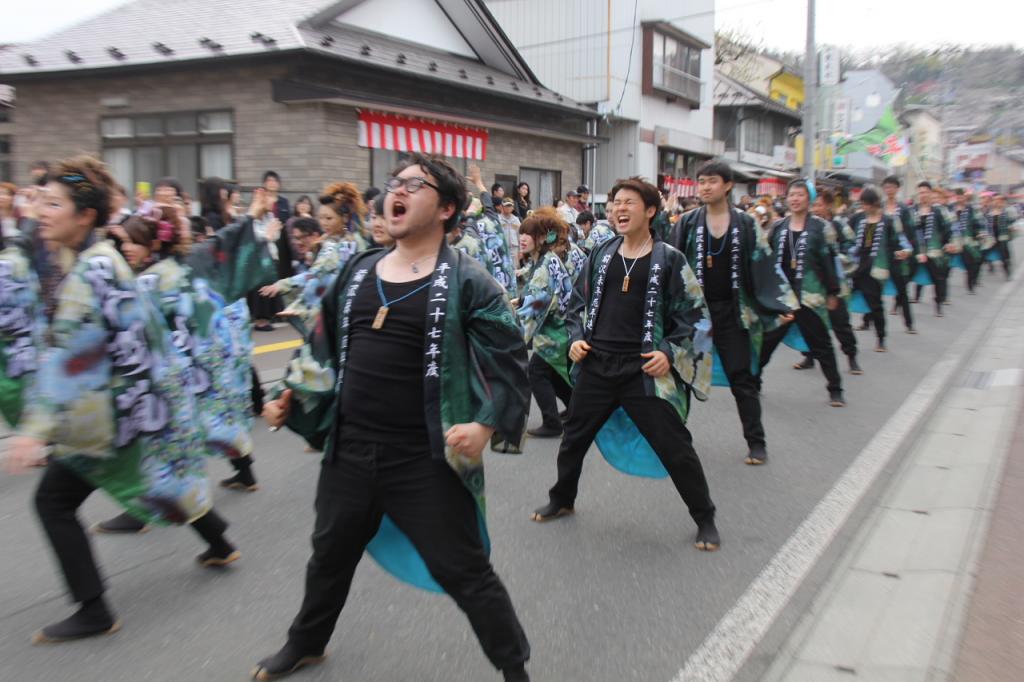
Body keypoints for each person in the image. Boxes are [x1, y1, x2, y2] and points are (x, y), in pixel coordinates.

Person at [252, 153, 532, 681]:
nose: (395, 192)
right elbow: (321, 346)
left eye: (413, 185)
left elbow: (508, 357)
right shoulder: (359, 272)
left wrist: (485, 424)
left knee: (465, 570)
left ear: (447, 207)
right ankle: (307, 642)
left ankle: (514, 667)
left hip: (424, 456)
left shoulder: (469, 281)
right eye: (393, 183)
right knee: (329, 553)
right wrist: (294, 394)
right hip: (351, 449)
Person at [5, 156, 239, 645]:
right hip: (141, 403)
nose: (40, 211)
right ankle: (218, 541)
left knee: (53, 501)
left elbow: (71, 355)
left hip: (116, 411)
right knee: (163, 479)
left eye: (53, 203)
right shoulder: (100, 259)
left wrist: (34, 430)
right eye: (37, 200)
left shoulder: (90, 272)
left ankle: (93, 609)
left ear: (85, 215)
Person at [530, 176, 720, 551]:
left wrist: (668, 351)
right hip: (598, 366)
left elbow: (695, 316)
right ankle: (563, 498)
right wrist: (576, 339)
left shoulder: (670, 259)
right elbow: (576, 306)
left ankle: (705, 516)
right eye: (615, 201)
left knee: (675, 446)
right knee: (573, 440)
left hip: (642, 370)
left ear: (650, 210)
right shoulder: (602, 254)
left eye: (629, 202)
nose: (619, 208)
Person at [672, 160, 797, 465]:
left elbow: (765, 264)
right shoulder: (687, 223)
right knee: (680, 375)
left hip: (732, 312)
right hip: (696, 315)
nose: (705, 187)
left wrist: (781, 303)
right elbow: (671, 265)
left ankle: (756, 443)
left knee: (743, 378)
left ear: (727, 185)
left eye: (712, 181)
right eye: (701, 181)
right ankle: (674, 443)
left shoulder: (746, 223)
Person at [758, 180, 846, 407]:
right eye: (792, 195)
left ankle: (835, 389)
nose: (795, 199)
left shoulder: (821, 227)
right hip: (782, 299)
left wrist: (833, 292)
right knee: (766, 343)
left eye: (800, 195)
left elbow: (830, 260)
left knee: (822, 345)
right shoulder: (778, 227)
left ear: (809, 199)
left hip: (810, 295)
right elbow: (766, 259)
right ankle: (753, 382)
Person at [259, 182, 366, 335]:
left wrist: (284, 285)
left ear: (345, 217)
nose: (323, 223)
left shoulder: (347, 244)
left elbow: (317, 273)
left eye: (329, 218)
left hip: (342, 307)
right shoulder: (334, 240)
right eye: (321, 218)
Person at [516, 208, 574, 438]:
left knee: (536, 371)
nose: (522, 238)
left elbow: (534, 309)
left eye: (528, 234)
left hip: (554, 331)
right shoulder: (546, 260)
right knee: (550, 372)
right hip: (562, 327)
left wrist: (514, 338)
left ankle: (552, 423)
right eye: (521, 233)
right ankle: (575, 410)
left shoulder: (543, 267)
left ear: (541, 238)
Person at [798, 187, 860, 372]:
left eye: (819, 204)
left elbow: (853, 248)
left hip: (834, 283)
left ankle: (851, 357)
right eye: (813, 205)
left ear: (829, 205)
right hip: (811, 285)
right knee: (810, 324)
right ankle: (809, 357)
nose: (815, 209)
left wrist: (837, 261)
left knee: (841, 323)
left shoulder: (839, 225)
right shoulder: (804, 225)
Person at [846, 188, 913, 354]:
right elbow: (851, 240)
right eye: (862, 204)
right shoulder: (860, 220)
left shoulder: (889, 221)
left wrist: (905, 251)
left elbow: (901, 241)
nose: (864, 208)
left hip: (877, 268)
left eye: (866, 204)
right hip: (858, 267)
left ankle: (881, 338)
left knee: (875, 305)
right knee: (843, 300)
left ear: (874, 203)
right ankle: (846, 338)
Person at [880, 176, 917, 331]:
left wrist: (907, 250)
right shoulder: (879, 207)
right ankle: (867, 321)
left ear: (897, 189)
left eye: (892, 187)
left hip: (897, 254)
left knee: (902, 290)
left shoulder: (904, 209)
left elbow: (910, 233)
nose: (889, 190)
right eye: (886, 187)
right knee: (872, 291)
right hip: (880, 255)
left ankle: (909, 324)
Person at [911, 181, 952, 316]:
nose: (922, 195)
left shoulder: (939, 211)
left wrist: (945, 243)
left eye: (925, 192)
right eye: (920, 192)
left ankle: (938, 304)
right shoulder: (913, 211)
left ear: (930, 193)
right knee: (905, 276)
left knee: (937, 278)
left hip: (933, 250)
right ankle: (900, 302)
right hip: (916, 251)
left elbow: (947, 228)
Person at [951, 189, 983, 293]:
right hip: (954, 241)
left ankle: (970, 283)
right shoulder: (951, 208)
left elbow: (977, 222)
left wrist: (978, 232)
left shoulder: (971, 209)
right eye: (958, 197)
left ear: (965, 198)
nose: (960, 199)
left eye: (962, 197)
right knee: (947, 266)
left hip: (968, 241)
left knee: (972, 263)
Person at [498, 197, 522, 266]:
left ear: (513, 207)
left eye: (510, 206)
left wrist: (521, 251)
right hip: (502, 248)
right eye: (506, 206)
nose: (508, 208)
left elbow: (520, 235)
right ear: (502, 207)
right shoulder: (498, 219)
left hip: (514, 249)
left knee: (515, 269)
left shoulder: (516, 220)